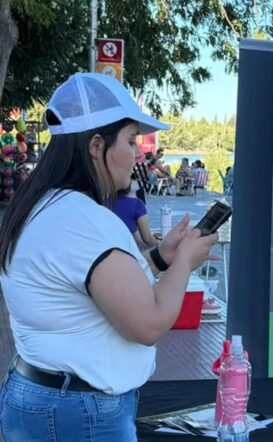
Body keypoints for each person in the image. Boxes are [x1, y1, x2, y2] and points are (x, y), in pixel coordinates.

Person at [0, 72, 218, 441]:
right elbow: (147, 325)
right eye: (131, 142)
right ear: (97, 145)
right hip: (79, 412)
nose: (137, 155)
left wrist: (160, 259)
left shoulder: (40, 204)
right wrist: (184, 263)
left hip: (39, 395)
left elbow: (87, 287)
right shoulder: (85, 219)